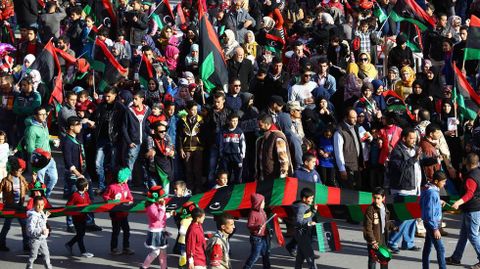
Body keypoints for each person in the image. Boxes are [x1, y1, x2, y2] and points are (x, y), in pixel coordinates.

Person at [386, 128, 422, 253]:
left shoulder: (414, 149)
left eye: (415, 138)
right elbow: (400, 167)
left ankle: (408, 242)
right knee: (403, 217)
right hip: (401, 189)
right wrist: (414, 158)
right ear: (404, 138)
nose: (414, 140)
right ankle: (392, 241)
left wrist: (431, 160)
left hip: (413, 188)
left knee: (412, 216)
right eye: (411, 138)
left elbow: (417, 164)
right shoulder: (397, 151)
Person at [446, 153, 480, 268]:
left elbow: (470, 193)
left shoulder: (471, 177)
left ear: (467, 163)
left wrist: (458, 202)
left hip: (472, 209)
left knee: (473, 235)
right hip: (473, 208)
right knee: (464, 235)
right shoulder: (477, 172)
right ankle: (456, 257)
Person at [25, 106, 59, 198]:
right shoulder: (31, 129)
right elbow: (30, 148)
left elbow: (46, 138)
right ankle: (40, 200)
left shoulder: (44, 124)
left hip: (50, 158)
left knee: (54, 178)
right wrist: (34, 166)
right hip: (39, 161)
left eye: (45, 114)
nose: (44, 116)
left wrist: (52, 141)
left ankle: (45, 197)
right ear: (35, 116)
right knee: (40, 183)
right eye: (41, 114)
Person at [102, 167, 134, 255]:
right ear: (123, 178)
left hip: (124, 213)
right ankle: (114, 248)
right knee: (116, 231)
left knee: (126, 230)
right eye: (127, 177)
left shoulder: (125, 185)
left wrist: (130, 199)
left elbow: (129, 196)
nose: (128, 179)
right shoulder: (112, 187)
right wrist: (111, 201)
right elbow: (105, 196)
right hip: (115, 213)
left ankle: (126, 247)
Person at [0, 157, 29, 252]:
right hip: (9, 206)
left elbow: (29, 189)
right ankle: (1, 243)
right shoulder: (5, 180)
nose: (20, 172)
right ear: (13, 170)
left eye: (21, 170)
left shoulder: (22, 179)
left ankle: (26, 245)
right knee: (7, 225)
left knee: (24, 226)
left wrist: (34, 180)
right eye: (18, 170)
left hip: (20, 206)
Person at [363, 187, 396, 269]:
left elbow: (386, 221)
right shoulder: (370, 209)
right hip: (373, 238)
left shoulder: (384, 207)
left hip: (383, 237)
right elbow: (368, 227)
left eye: (378, 198)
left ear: (383, 198)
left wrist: (393, 227)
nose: (376, 200)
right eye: (374, 198)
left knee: (384, 258)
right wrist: (372, 241)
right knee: (373, 259)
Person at [421, 171, 447, 269]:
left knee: (427, 247)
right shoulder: (432, 193)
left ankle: (425, 267)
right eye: (443, 182)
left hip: (428, 222)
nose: (444, 184)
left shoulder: (428, 188)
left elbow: (426, 202)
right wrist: (435, 228)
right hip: (432, 224)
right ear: (436, 181)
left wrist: (438, 201)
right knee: (440, 248)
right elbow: (430, 213)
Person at [255, 113, 293, 181]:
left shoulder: (277, 137)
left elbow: (284, 160)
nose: (259, 127)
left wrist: (282, 179)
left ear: (267, 124)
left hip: (275, 180)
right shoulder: (263, 137)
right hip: (264, 179)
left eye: (260, 125)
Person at [140, 185, 170, 269]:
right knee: (156, 252)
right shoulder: (151, 206)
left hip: (161, 230)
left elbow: (162, 217)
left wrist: (169, 214)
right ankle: (144, 267)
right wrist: (163, 207)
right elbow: (159, 217)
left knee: (163, 252)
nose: (164, 199)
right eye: (162, 197)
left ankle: (164, 267)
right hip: (155, 232)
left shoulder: (157, 205)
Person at [334, 108, 363, 190]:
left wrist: (360, 162)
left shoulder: (356, 127)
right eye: (353, 117)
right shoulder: (339, 132)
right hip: (347, 167)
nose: (356, 119)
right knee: (349, 192)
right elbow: (338, 152)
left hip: (356, 165)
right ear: (346, 117)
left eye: (356, 117)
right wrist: (342, 169)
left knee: (358, 189)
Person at [65, 177, 94, 258]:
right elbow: (68, 205)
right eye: (87, 185)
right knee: (80, 234)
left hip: (84, 217)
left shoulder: (86, 194)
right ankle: (83, 251)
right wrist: (76, 209)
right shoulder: (75, 195)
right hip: (77, 218)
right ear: (84, 187)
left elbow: (89, 203)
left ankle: (69, 244)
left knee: (81, 234)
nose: (88, 187)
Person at [243, 193, 271, 269]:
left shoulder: (262, 211)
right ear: (258, 203)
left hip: (263, 237)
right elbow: (249, 225)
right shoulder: (253, 213)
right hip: (256, 238)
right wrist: (257, 227)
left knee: (265, 254)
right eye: (263, 202)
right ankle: (246, 267)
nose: (264, 203)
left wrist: (268, 230)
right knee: (255, 255)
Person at [292, 187, 317, 269]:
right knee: (309, 255)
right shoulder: (301, 208)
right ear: (304, 198)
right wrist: (308, 223)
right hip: (302, 233)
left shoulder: (306, 206)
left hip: (305, 232)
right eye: (310, 198)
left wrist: (314, 211)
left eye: (312, 198)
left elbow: (308, 217)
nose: (312, 200)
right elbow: (298, 221)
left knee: (300, 254)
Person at [219, 112, 246, 184]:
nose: (235, 123)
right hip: (226, 155)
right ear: (229, 121)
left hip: (237, 156)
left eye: (236, 121)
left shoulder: (239, 131)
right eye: (233, 121)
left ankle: (238, 190)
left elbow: (243, 144)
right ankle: (226, 190)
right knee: (227, 174)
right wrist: (221, 153)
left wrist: (242, 155)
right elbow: (221, 143)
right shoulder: (223, 131)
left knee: (238, 174)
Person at [26, 196, 52, 269]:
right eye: (38, 205)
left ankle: (48, 267)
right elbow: (30, 230)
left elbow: (42, 223)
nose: (40, 207)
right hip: (34, 240)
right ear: (34, 205)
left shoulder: (41, 213)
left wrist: (46, 216)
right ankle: (29, 266)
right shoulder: (32, 217)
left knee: (46, 254)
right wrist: (41, 231)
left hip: (42, 239)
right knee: (33, 255)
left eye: (42, 205)